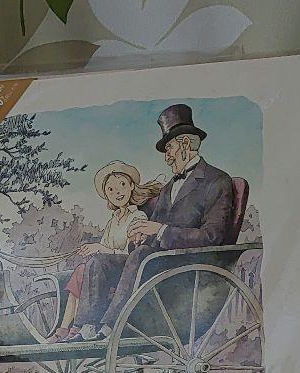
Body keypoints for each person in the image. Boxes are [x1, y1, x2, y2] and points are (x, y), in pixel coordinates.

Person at [72, 104, 236, 341]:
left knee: (140, 255)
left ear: (185, 144)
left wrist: (160, 231)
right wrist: (140, 236)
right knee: (99, 261)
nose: (167, 157)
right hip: (156, 263)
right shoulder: (169, 187)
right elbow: (154, 230)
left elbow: (212, 236)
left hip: (187, 268)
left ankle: (110, 327)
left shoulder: (217, 181)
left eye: (169, 148)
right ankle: (87, 327)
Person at [50, 163, 163, 343]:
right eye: (110, 189)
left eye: (122, 185)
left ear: (131, 186)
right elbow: (103, 250)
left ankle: (82, 326)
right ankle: (71, 328)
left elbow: (131, 253)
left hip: (126, 270)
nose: (117, 192)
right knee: (83, 268)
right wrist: (93, 249)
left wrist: (100, 249)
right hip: (108, 269)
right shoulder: (113, 221)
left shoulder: (138, 217)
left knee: (89, 266)